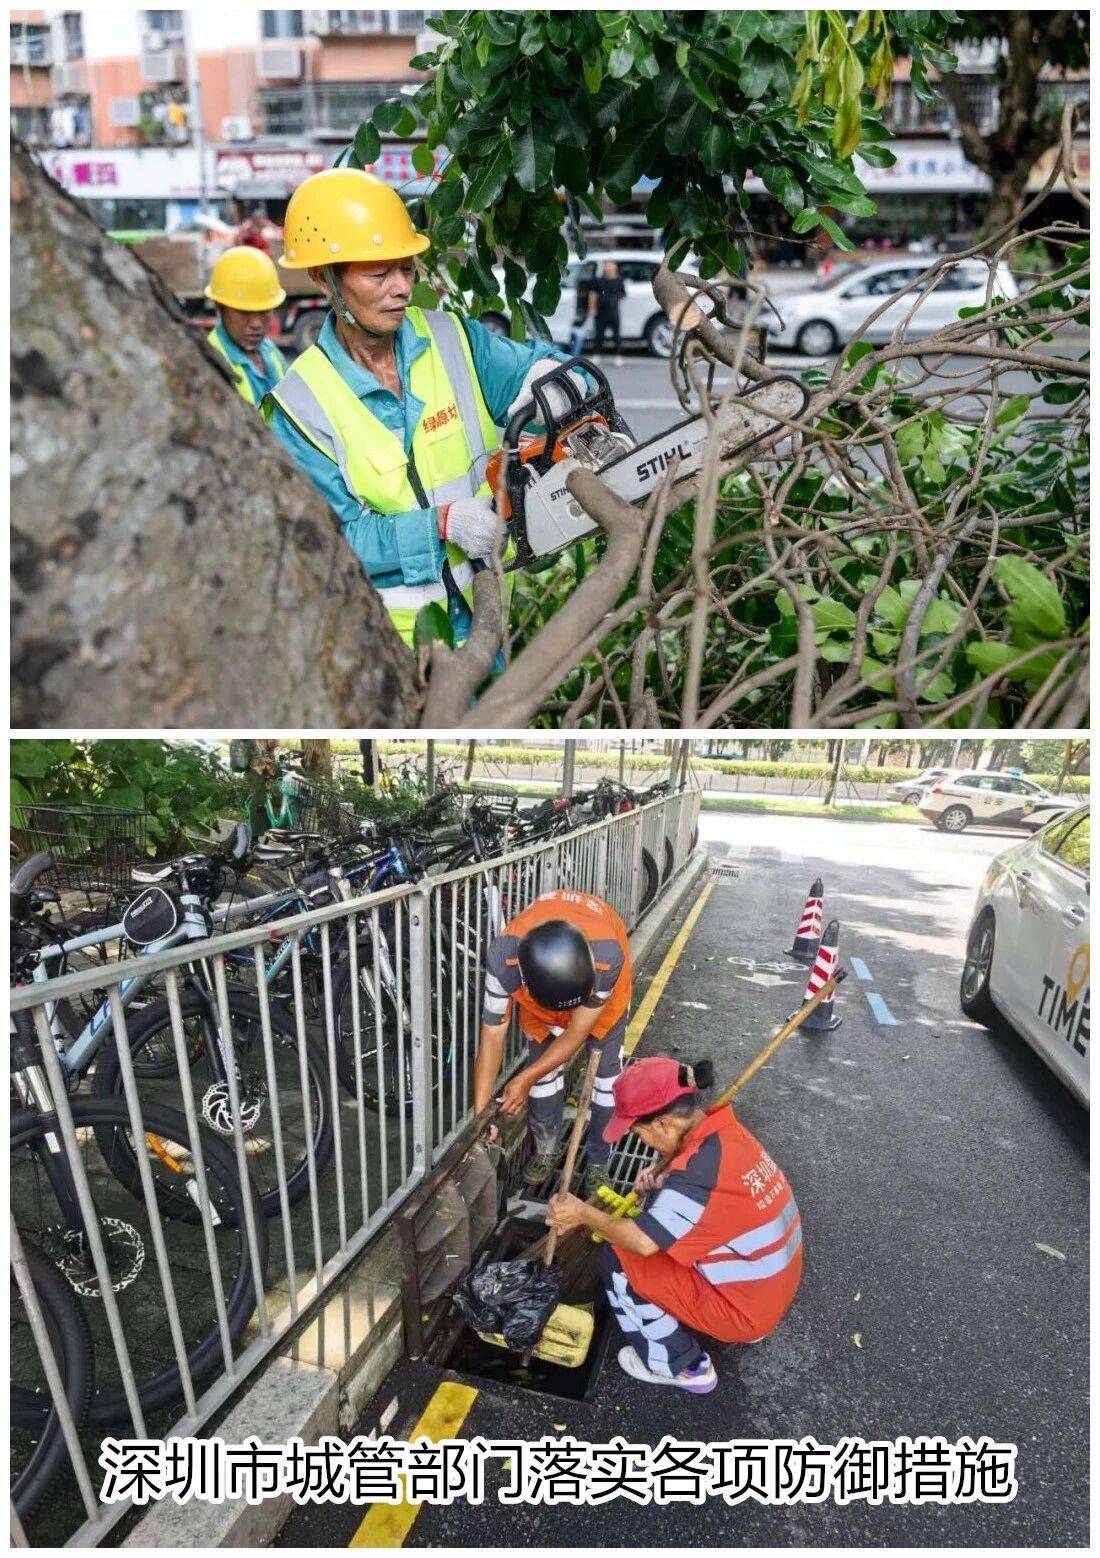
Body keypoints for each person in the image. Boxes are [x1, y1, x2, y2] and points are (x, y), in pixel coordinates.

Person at [263, 167, 582, 649]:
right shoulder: (299, 406)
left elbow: (533, 369)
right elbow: (332, 538)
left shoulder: (452, 338)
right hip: (386, 646)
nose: (401, 287)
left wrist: (563, 391)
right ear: (324, 280)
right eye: (378, 273)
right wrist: (442, 523)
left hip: (488, 618)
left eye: (407, 268)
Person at [546, 1054, 803, 1394]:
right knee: (643, 1234)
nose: (643, 1144)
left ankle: (680, 1366)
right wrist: (663, 1186)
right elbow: (708, 1207)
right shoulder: (724, 1137)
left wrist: (581, 1213)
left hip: (747, 1310)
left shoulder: (697, 1174)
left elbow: (641, 1242)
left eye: (639, 1134)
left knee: (617, 1255)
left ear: (664, 1125)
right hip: (771, 1288)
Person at [474, 888, 632, 1197]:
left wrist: (524, 1077)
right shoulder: (502, 961)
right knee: (543, 1074)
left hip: (600, 1009)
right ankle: (547, 1149)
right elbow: (491, 1038)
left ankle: (599, 1159)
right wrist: (482, 1115)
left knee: (607, 1080)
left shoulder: (607, 958)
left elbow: (576, 1033)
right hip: (539, 1011)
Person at [204, 246, 288, 408]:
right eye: (243, 313)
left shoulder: (271, 352)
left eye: (264, 312)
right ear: (218, 307)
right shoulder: (211, 362)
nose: (256, 324)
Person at [590, 259, 626, 361]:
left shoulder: (619, 280)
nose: (609, 268)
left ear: (615, 269)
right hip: (601, 311)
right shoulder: (599, 280)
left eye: (611, 267)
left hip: (614, 311)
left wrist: (615, 298)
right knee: (599, 334)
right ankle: (597, 354)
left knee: (616, 335)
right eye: (607, 266)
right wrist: (592, 308)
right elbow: (593, 294)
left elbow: (623, 293)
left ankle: (618, 356)